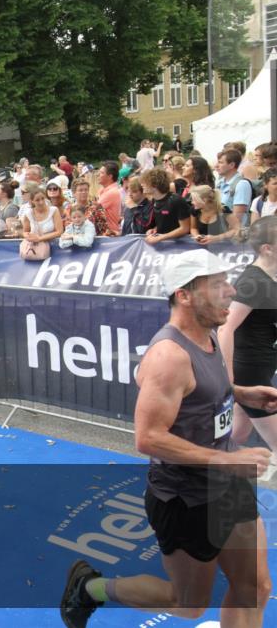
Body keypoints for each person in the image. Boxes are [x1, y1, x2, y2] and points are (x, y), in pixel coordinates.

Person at [60, 250, 277, 628]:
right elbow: (147, 437)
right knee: (187, 603)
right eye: (218, 285)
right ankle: (91, 587)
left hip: (230, 486)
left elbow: (202, 392)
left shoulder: (209, 335)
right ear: (184, 295)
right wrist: (223, 459)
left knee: (254, 588)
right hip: (186, 497)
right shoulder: (168, 356)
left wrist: (240, 393)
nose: (230, 292)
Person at [218, 217, 277, 478]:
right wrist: (227, 376)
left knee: (238, 434)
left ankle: (204, 477)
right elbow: (225, 327)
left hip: (259, 368)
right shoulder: (253, 282)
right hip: (249, 371)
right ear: (268, 248)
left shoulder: (269, 278)